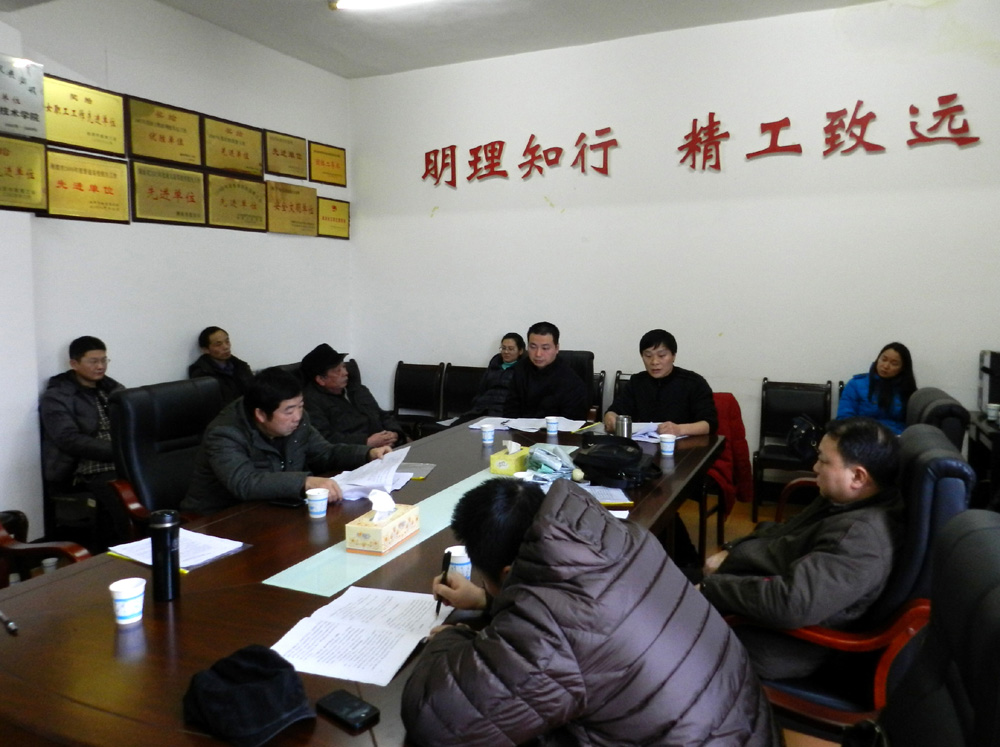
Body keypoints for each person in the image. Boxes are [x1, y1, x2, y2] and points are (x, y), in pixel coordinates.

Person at [402, 477, 778, 746]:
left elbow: (436, 719)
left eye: (486, 582)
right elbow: (578, 615)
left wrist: (451, 637)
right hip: (742, 725)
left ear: (505, 572)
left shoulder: (551, 632)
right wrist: (488, 602)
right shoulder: (624, 539)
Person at [700, 417, 903, 680]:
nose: (815, 467)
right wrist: (731, 549)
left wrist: (712, 588)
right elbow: (784, 531)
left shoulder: (861, 538)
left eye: (824, 461)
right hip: (745, 589)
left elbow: (791, 603)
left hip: (767, 640)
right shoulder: (842, 501)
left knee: (655, 617)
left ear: (857, 476)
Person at [182, 367, 391, 514]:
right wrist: (304, 482)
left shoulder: (298, 421)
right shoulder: (225, 433)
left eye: (301, 406)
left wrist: (366, 453)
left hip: (274, 509)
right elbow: (245, 482)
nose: (298, 416)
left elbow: (325, 452)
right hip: (219, 520)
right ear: (261, 414)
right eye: (289, 411)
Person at [39, 336, 130, 547]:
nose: (100, 366)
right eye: (93, 361)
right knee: (122, 496)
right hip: (83, 466)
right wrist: (118, 451)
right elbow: (69, 439)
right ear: (74, 363)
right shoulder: (58, 396)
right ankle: (127, 547)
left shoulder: (113, 388)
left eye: (104, 360)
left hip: (121, 455)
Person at [604, 328, 717, 437]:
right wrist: (611, 418)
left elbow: (709, 424)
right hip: (643, 445)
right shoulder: (636, 382)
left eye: (662, 355)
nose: (654, 362)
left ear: (673, 356)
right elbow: (615, 410)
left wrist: (679, 429)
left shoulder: (694, 382)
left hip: (685, 446)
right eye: (648, 356)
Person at [300, 343, 407, 448]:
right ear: (321, 379)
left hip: (388, 445)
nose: (345, 372)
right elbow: (325, 438)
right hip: (357, 453)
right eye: (338, 370)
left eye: (344, 367)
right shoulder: (311, 401)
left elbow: (382, 414)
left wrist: (395, 433)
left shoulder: (357, 389)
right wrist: (366, 442)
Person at [502, 321, 588, 420]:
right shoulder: (520, 369)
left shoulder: (570, 380)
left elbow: (573, 420)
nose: (538, 354)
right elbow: (510, 409)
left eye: (545, 348)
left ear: (556, 348)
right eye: (533, 347)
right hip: (520, 428)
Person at [837, 341, 916, 435]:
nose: (885, 366)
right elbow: (844, 418)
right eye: (883, 359)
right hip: (862, 436)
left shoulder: (907, 389)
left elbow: (913, 425)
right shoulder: (856, 384)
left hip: (896, 437)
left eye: (894, 363)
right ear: (877, 359)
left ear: (902, 368)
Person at [454, 333, 525, 424]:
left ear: (520, 351)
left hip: (502, 413)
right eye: (503, 348)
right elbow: (482, 389)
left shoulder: (522, 370)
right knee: (456, 427)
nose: (506, 352)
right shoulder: (494, 366)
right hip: (481, 409)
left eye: (510, 349)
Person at [188, 326, 255, 405]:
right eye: (218, 344)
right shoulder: (202, 373)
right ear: (205, 350)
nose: (226, 347)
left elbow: (254, 391)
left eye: (227, 341)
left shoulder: (241, 366)